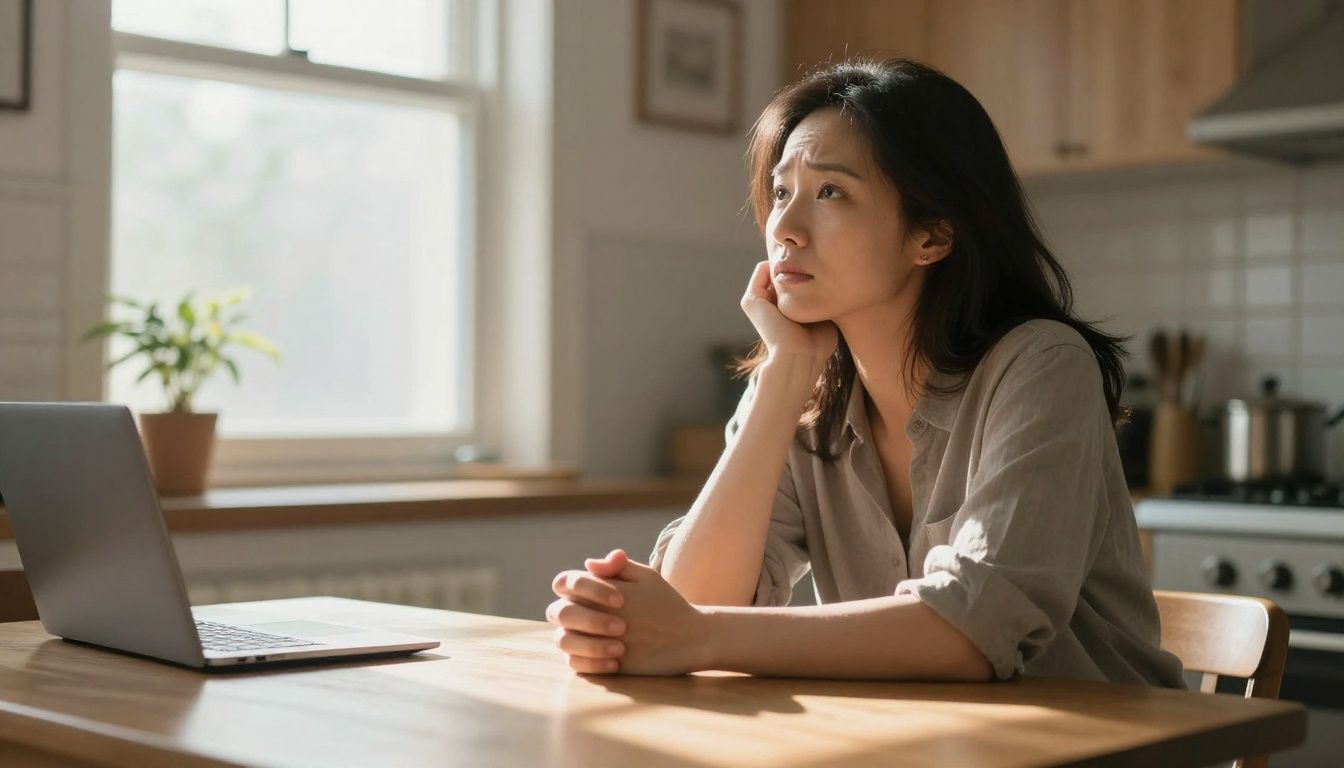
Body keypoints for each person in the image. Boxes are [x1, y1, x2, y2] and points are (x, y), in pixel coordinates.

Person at [546, 58, 1185, 687]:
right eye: (780, 192)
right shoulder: (800, 388)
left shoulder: (1040, 367)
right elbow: (697, 597)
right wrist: (783, 376)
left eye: (831, 192)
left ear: (931, 236)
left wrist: (698, 634)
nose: (784, 229)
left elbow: (974, 632)